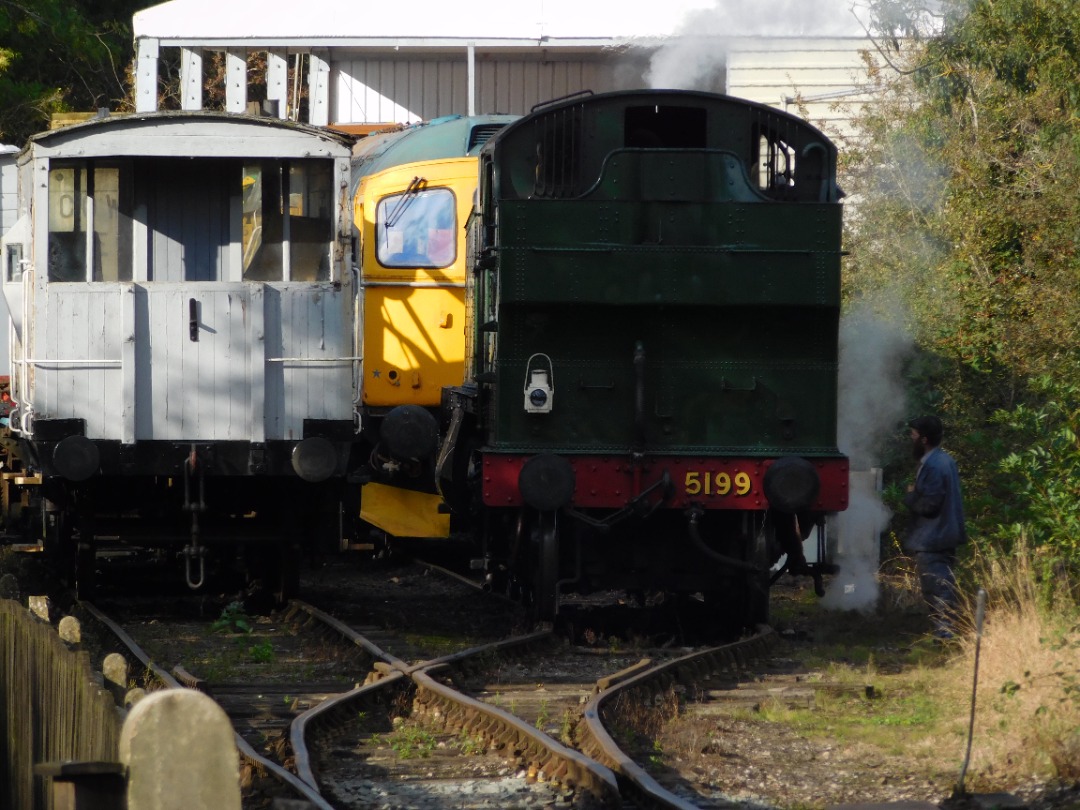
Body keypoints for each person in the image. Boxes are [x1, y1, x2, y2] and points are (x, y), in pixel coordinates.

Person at [903, 415, 967, 639]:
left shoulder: (932, 465)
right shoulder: (945, 460)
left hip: (933, 536)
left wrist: (911, 497)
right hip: (943, 534)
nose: (910, 437)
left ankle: (946, 635)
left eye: (913, 434)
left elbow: (930, 504)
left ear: (924, 439)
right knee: (942, 584)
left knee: (937, 587)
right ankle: (945, 633)